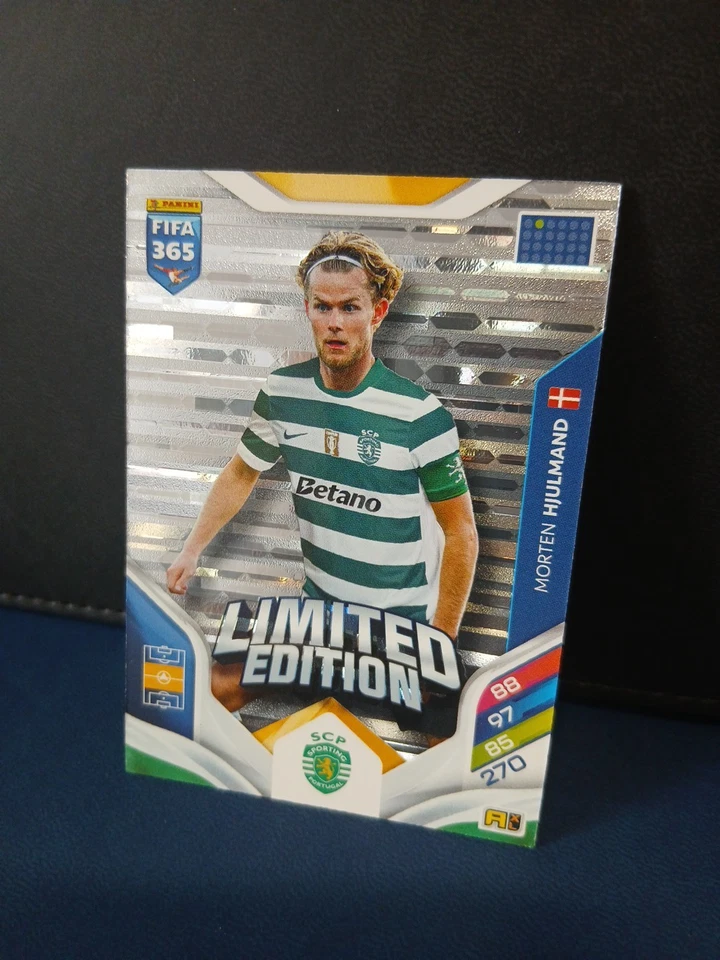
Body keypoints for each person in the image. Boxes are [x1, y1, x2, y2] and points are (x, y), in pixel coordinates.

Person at [166, 231, 479, 710]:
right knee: (209, 694)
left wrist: (440, 644)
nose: (334, 323)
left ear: (378, 312)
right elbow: (240, 474)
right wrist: (191, 549)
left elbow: (461, 534)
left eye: (350, 308)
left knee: (450, 732)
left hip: (400, 628)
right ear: (307, 309)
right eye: (322, 307)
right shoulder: (282, 393)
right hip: (317, 620)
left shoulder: (420, 415)